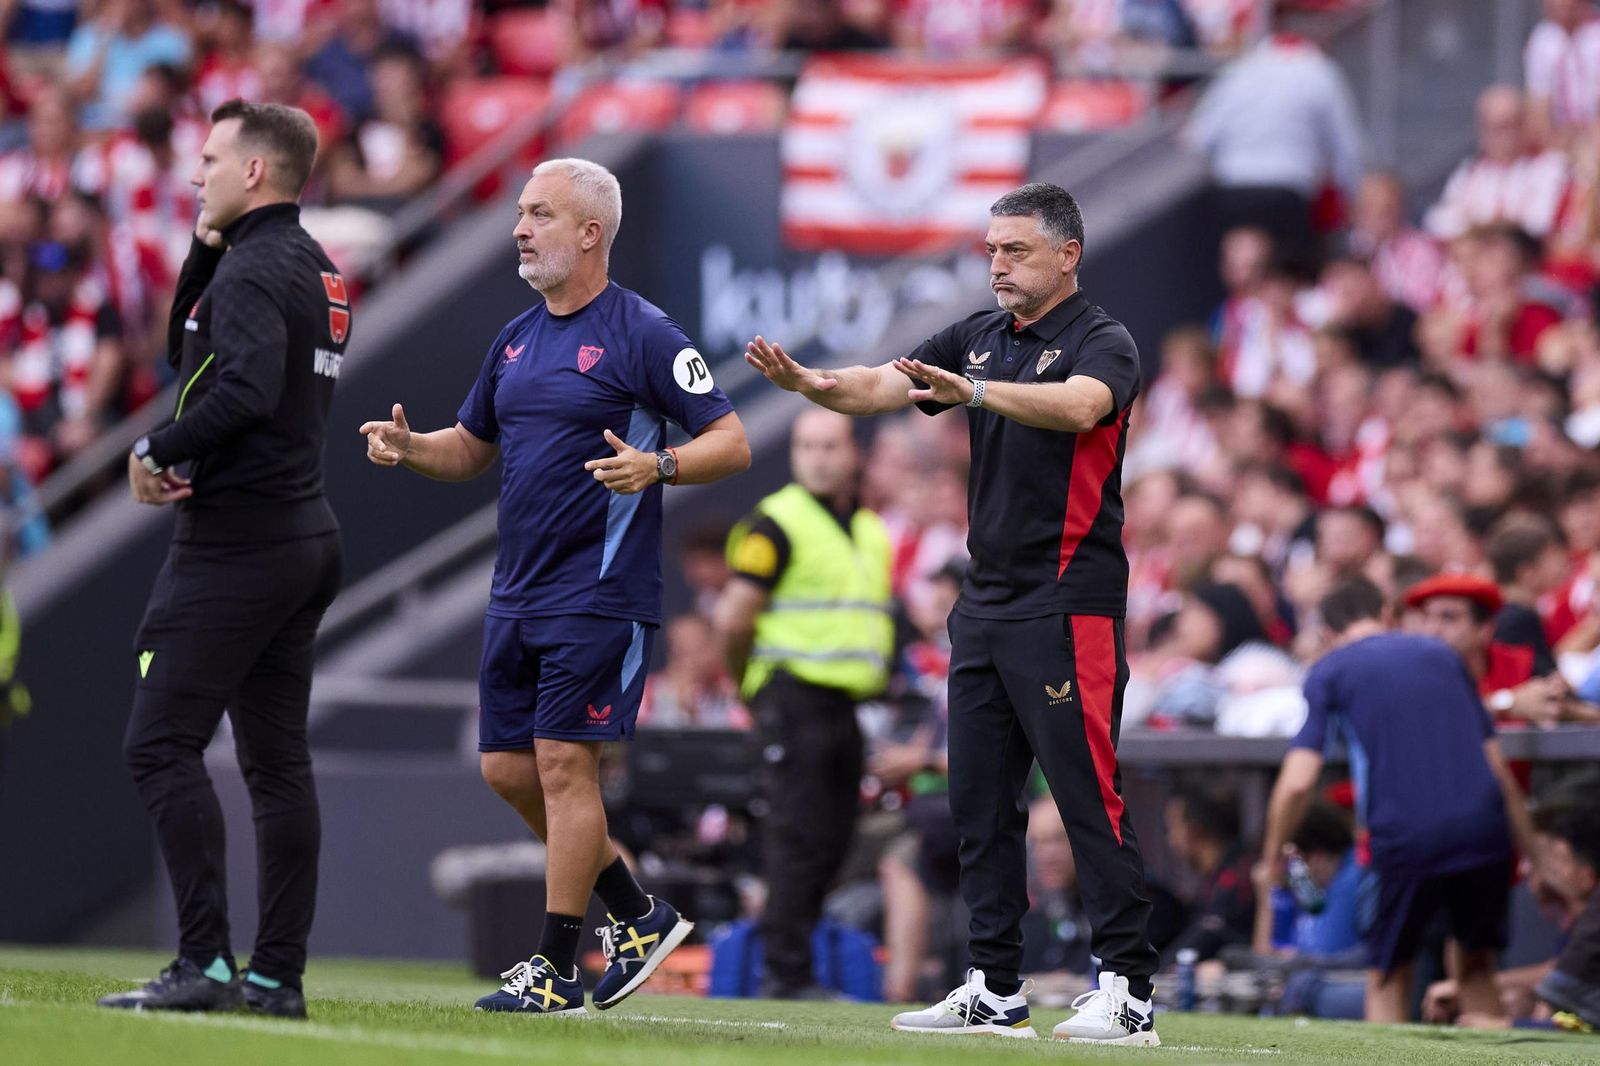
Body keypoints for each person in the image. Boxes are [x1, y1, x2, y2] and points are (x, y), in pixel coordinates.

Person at [746, 181, 1160, 1045]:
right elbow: (879, 388)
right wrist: (813, 385)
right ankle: (993, 986)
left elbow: (1083, 405)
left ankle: (1128, 988)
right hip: (986, 605)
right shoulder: (978, 337)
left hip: (1066, 603)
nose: (996, 264)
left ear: (1067, 254)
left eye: (1014, 250)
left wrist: (973, 397)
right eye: (991, 250)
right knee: (977, 801)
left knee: (1087, 799)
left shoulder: (1101, 340)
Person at [359, 157, 750, 1015]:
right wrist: (411, 446)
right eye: (521, 213)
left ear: (589, 232)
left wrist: (661, 465)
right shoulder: (515, 338)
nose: (519, 229)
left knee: (566, 770)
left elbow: (733, 440)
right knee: (507, 770)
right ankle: (638, 912)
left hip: (600, 593)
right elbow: (470, 448)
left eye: (538, 213)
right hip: (518, 594)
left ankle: (557, 967)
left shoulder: (645, 333)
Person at [98, 101, 347, 1019]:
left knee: (159, 745)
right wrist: (206, 247)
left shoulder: (253, 273)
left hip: (239, 541)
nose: (194, 173)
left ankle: (203, 962)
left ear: (255, 172)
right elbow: (190, 355)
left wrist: (155, 451)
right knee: (278, 766)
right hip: (303, 533)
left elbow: (235, 387)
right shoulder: (315, 268)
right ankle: (276, 978)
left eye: (209, 159)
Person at [1256, 577, 1534, 1024]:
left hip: (1405, 837)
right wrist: (1534, 850)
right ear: (1387, 615)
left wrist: (1271, 860)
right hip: (1484, 829)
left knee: (1387, 974)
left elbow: (1296, 782)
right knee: (1476, 966)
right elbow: (1497, 767)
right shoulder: (1441, 654)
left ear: (1327, 633)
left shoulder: (1330, 670)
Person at [712, 408, 894, 999]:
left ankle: (796, 961)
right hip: (792, 695)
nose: (817, 456)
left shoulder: (869, 529)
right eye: (806, 445)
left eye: (829, 445)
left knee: (836, 839)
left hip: (846, 704)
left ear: (852, 455)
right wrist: (752, 688)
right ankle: (787, 972)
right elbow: (733, 620)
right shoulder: (776, 524)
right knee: (796, 837)